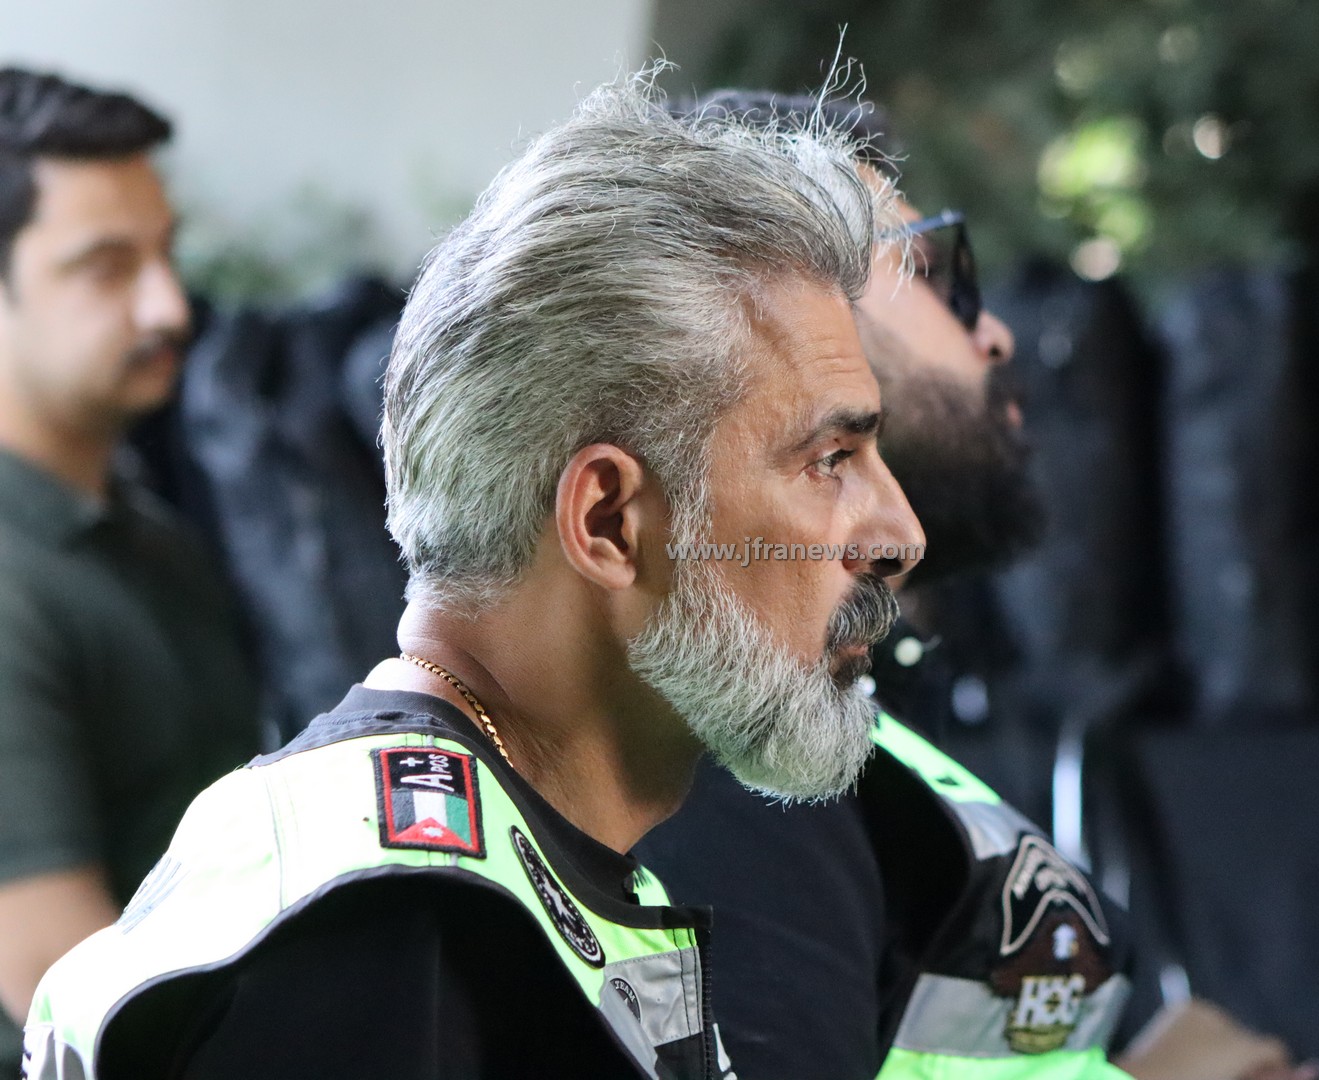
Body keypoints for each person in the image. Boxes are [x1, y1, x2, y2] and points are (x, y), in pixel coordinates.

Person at [24, 71, 923, 1080]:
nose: (900, 534)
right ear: (607, 522)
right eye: (830, 460)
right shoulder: (396, 927)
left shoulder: (490, 869)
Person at [637, 92, 1314, 1080]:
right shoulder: (747, 764)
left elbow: (1135, 1033)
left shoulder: (886, 708)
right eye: (933, 271)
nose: (994, 332)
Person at [0, 69, 261, 1068]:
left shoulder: (149, 535)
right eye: (107, 268)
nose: (169, 307)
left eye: (166, 253)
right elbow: (61, 988)